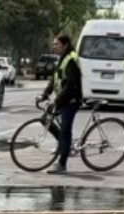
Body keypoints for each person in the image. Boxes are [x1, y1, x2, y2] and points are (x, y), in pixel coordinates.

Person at [38, 34, 82, 174]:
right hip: (62, 100)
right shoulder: (62, 59)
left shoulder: (71, 60)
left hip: (71, 101)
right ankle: (63, 146)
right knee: (44, 119)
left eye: (57, 44)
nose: (54, 46)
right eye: (54, 44)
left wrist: (56, 100)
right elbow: (54, 80)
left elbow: (71, 85)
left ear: (66, 45)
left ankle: (62, 163)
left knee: (65, 130)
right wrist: (45, 94)